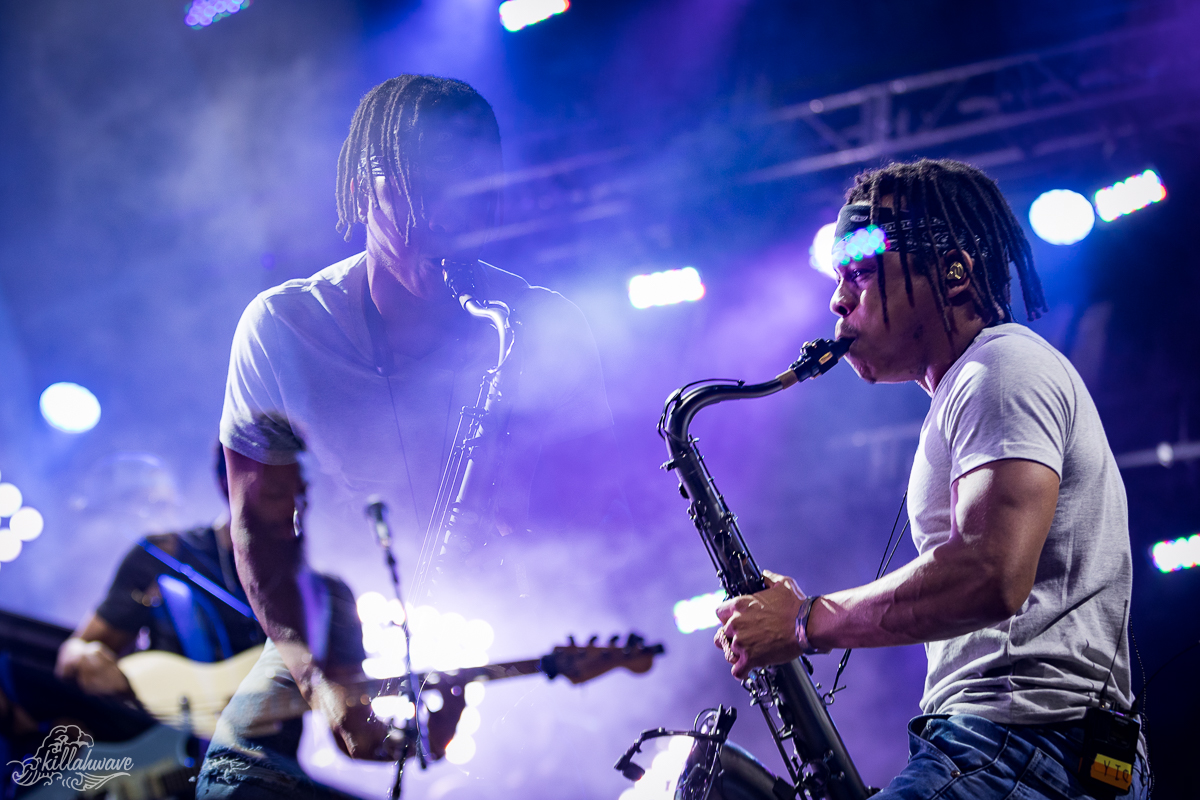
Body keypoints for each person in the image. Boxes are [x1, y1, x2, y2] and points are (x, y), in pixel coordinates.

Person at [198, 75, 615, 797]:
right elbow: (256, 533)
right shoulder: (282, 327)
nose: (452, 216)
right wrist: (328, 688)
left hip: (503, 622)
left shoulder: (537, 326)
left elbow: (605, 514)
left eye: (474, 187)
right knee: (238, 781)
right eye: (425, 191)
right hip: (336, 638)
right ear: (363, 187)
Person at [714, 159, 1148, 799]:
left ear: (953, 274)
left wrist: (807, 620)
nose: (839, 299)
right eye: (838, 278)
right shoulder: (979, 383)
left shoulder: (1000, 369)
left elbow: (988, 573)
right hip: (1023, 749)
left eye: (861, 273)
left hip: (1022, 745)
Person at [55, 444, 264, 696]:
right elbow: (74, 652)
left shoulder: (308, 588)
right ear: (228, 481)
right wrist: (85, 657)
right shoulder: (164, 554)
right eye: (275, 490)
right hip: (179, 728)